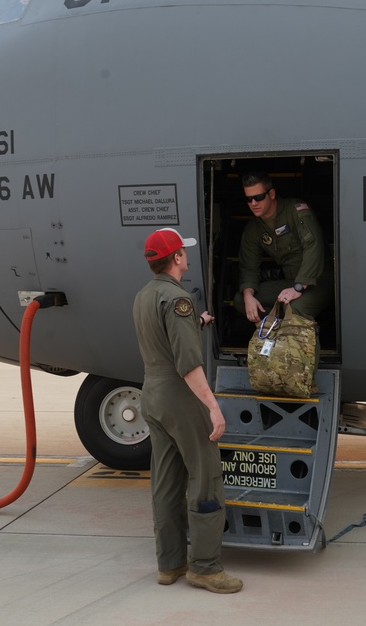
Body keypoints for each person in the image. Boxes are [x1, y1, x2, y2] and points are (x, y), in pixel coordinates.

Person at [132, 227, 243, 594]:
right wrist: (213, 407)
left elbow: (164, 337)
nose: (186, 257)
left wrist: (198, 322)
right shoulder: (178, 300)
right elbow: (188, 364)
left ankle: (170, 564)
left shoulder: (145, 296)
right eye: (183, 252)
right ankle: (206, 568)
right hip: (181, 397)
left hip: (152, 395)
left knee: (165, 482)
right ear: (176, 258)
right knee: (206, 476)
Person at [234, 172, 333, 323]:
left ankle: (289, 331)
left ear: (271, 194)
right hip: (290, 282)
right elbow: (249, 267)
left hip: (318, 280)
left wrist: (299, 287)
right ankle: (280, 330)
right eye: (248, 199)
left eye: (259, 197)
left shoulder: (295, 210)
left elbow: (313, 246)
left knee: (296, 310)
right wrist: (248, 296)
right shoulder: (253, 228)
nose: (253, 203)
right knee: (242, 300)